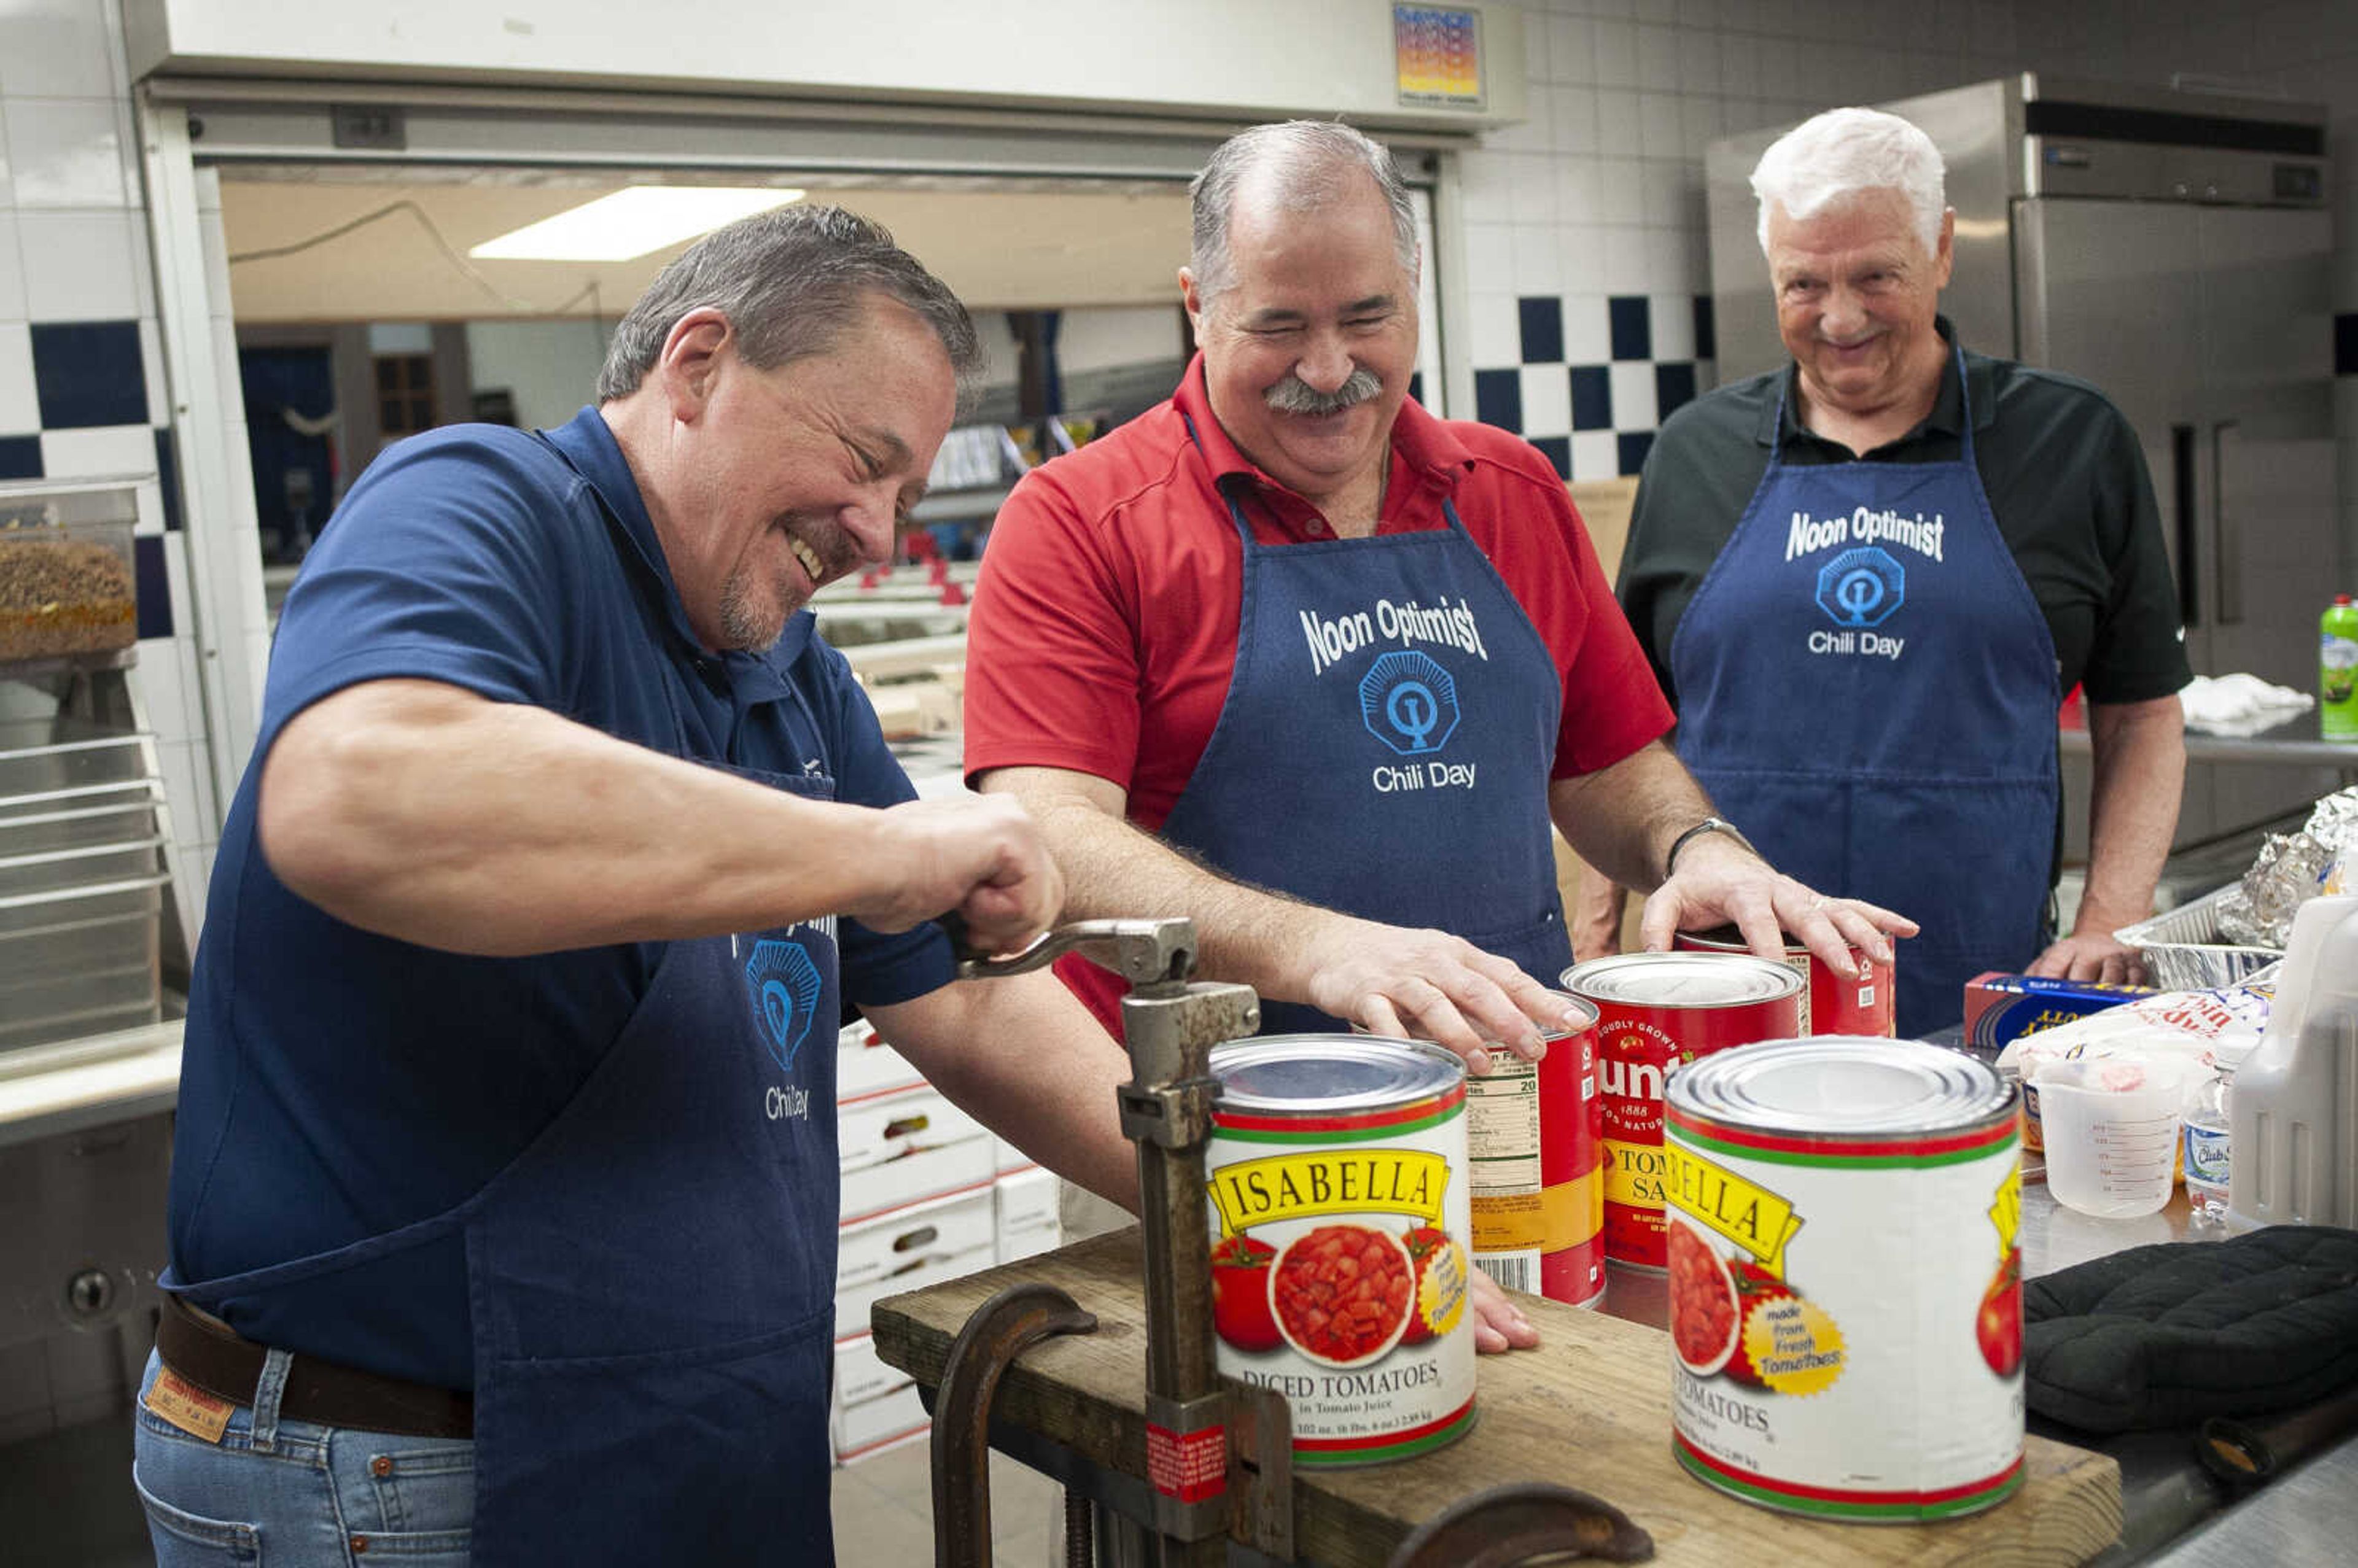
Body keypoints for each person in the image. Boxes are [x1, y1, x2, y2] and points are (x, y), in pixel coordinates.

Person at [132, 207, 1244, 1567]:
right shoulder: (481, 502)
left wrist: (1239, 1208)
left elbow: (958, 1001)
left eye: (904, 492)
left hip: (684, 1433)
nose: (881, 533)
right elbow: (356, 791)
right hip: (408, 1469)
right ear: (699, 363)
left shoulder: (780, 663)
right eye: (865, 461)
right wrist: (888, 850)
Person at [963, 120, 1909, 1076]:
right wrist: (1318, 948)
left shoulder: (1511, 490)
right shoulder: (1080, 520)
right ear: (1198, 307)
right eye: (1280, 326)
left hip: (1516, 1089)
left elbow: (1606, 760)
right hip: (1211, 1125)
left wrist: (1697, 846)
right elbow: (1050, 832)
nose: (1328, 370)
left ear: (1414, 293)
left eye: (1367, 318)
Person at [1590, 107, 2189, 1035]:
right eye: (1803, 284)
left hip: (1987, 990)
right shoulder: (1695, 451)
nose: (1839, 318)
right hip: (1725, 995)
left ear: (1942, 249)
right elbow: (1618, 728)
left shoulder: (2073, 442)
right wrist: (1597, 946)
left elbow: (2144, 710)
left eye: (1876, 276)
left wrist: (2110, 917)